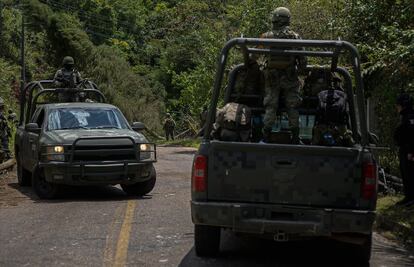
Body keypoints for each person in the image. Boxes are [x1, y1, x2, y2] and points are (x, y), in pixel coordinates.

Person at [260, 7, 307, 143]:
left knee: (271, 106)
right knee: (292, 107)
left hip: (272, 79)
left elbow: (253, 56)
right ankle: (295, 138)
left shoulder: (266, 36)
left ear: (275, 18)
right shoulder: (295, 37)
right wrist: (301, 71)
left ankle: (265, 137)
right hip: (290, 78)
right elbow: (303, 60)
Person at [394, 93, 414, 206]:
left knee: (410, 174)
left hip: (409, 151)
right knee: (405, 173)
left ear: (404, 105)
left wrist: (411, 151)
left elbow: (412, 135)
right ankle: (408, 197)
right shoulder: (405, 116)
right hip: (404, 149)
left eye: (398, 105)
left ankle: (411, 197)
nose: (397, 107)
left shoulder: (410, 117)